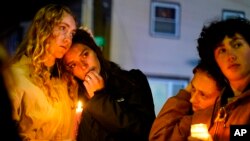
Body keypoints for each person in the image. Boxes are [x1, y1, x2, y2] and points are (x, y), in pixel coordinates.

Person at [61, 28, 156, 141]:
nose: (83, 66)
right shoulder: (73, 95)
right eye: (72, 65)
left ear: (96, 51)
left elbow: (144, 130)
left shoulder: (133, 80)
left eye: (85, 55)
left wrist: (99, 98)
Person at [3, 4, 78, 140]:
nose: (68, 39)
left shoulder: (64, 81)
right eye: (62, 28)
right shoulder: (17, 78)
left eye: (72, 33)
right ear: (43, 29)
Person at [191, 17, 250, 141]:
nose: (231, 56)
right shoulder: (215, 106)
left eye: (237, 44)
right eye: (222, 50)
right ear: (215, 61)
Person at [149, 61, 224, 141]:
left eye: (203, 95)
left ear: (221, 97)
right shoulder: (193, 116)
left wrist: (184, 94)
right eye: (193, 89)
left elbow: (158, 137)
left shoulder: (198, 121)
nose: (192, 99)